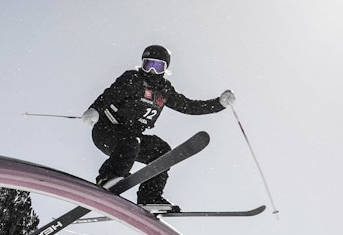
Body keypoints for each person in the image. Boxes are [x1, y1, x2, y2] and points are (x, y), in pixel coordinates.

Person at [82, 44, 235, 211]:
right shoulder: (133, 79)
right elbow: (111, 93)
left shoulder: (165, 90)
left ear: (165, 69)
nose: (152, 71)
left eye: (158, 66)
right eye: (148, 65)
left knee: (161, 151)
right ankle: (107, 178)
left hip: (132, 141)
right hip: (107, 131)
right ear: (142, 64)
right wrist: (95, 109)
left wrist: (218, 104)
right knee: (131, 140)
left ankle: (149, 197)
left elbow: (189, 106)